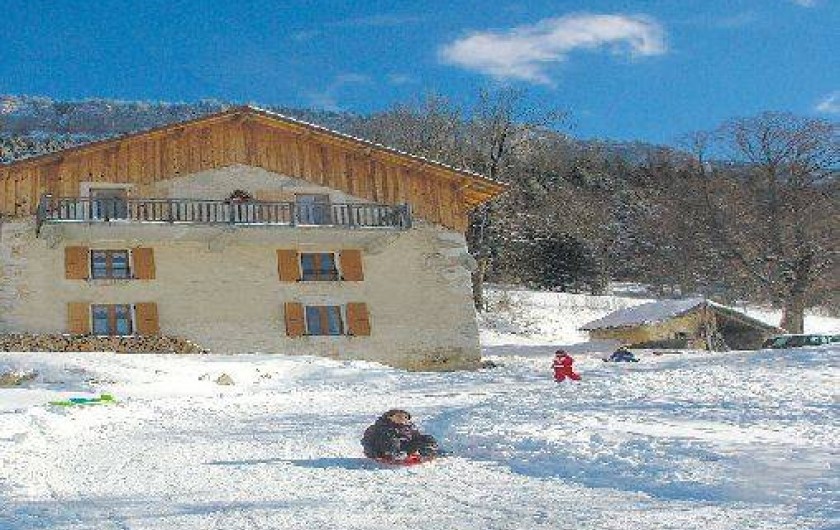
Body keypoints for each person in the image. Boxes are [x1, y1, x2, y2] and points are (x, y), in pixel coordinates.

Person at [361, 409, 439, 461]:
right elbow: (367, 441)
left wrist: (423, 444)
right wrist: (373, 454)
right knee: (391, 438)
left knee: (427, 437)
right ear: (390, 417)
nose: (402, 419)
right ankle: (396, 455)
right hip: (384, 451)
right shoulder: (380, 427)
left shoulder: (409, 427)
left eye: (405, 417)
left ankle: (429, 450)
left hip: (405, 449)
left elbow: (416, 437)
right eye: (399, 416)